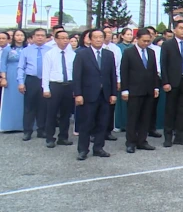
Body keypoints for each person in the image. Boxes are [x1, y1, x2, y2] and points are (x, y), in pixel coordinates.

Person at [73, 29, 118, 160]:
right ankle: (83, 150)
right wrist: (78, 94)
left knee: (102, 123)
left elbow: (112, 75)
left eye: (101, 37)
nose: (98, 40)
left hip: (104, 95)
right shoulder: (82, 54)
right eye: (96, 37)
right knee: (86, 124)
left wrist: (113, 93)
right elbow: (77, 76)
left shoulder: (109, 54)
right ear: (90, 39)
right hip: (88, 95)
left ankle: (98, 148)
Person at [160, 20, 183, 147]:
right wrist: (165, 82)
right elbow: (163, 64)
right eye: (181, 28)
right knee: (170, 109)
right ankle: (168, 136)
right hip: (172, 81)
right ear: (174, 29)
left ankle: (180, 136)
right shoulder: (167, 45)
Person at [121, 31, 159, 153]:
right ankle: (131, 142)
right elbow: (124, 72)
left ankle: (142, 141)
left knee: (145, 117)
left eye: (148, 41)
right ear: (137, 39)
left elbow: (154, 71)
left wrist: (155, 87)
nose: (146, 43)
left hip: (148, 90)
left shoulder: (151, 52)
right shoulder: (128, 52)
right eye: (144, 41)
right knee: (133, 117)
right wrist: (125, 90)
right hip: (134, 90)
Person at [41, 30, 75, 148]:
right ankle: (50, 138)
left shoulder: (73, 54)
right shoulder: (50, 54)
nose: (65, 40)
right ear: (55, 39)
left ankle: (63, 137)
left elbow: (75, 72)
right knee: (52, 113)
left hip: (68, 85)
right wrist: (45, 88)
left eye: (67, 38)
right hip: (55, 85)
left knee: (66, 114)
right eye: (62, 38)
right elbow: (45, 72)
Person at [17, 28, 49, 141]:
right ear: (33, 37)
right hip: (31, 80)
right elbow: (21, 67)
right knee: (29, 107)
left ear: (46, 37)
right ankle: (27, 131)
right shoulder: (26, 50)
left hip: (45, 81)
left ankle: (41, 130)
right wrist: (21, 82)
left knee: (43, 106)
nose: (40, 37)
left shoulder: (50, 50)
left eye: (42, 35)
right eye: (37, 35)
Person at [0, 29, 27, 132]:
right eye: (17, 35)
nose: (19, 37)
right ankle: (9, 125)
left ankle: (23, 125)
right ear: (13, 37)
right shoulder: (8, 49)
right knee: (11, 100)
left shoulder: (27, 49)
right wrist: (3, 78)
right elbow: (3, 64)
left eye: (22, 35)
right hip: (11, 75)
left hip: (25, 75)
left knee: (23, 101)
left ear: (25, 37)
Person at [103, 27, 122, 141]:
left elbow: (118, 66)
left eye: (110, 33)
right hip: (98, 81)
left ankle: (108, 131)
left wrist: (118, 80)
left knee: (110, 106)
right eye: (105, 33)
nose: (108, 35)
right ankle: (95, 131)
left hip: (112, 79)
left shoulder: (115, 49)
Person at [145, 27, 164, 138]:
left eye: (152, 34)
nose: (150, 36)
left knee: (153, 106)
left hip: (156, 78)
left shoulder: (158, 49)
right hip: (141, 81)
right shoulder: (134, 50)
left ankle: (152, 128)